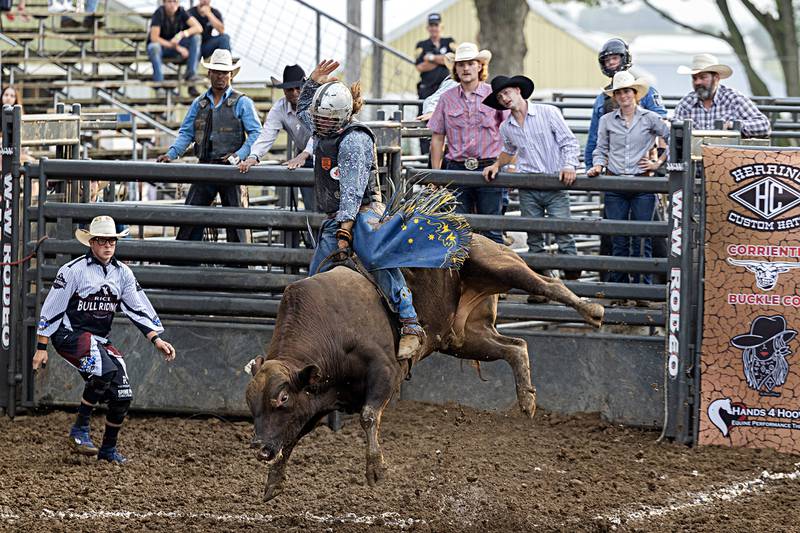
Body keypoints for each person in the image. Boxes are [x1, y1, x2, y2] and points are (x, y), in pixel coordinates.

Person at [297, 59, 426, 362]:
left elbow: (353, 190)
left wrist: (345, 228)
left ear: (341, 117)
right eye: (318, 118)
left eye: (325, 119)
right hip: (338, 215)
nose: (318, 123)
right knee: (316, 275)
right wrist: (312, 83)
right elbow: (304, 110)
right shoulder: (323, 126)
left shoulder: (353, 140)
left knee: (373, 256)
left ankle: (410, 322)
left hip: (365, 209)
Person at [31, 216, 176, 464]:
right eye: (102, 241)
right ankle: (80, 428)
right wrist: (41, 347)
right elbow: (52, 306)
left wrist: (156, 339)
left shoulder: (123, 274)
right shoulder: (73, 270)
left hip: (97, 339)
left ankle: (107, 451)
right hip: (68, 334)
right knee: (105, 369)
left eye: (111, 241)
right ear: (92, 243)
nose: (107, 246)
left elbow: (137, 307)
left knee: (122, 394)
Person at [481, 75, 581, 280]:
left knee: (564, 232)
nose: (504, 99)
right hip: (528, 186)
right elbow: (509, 151)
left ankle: (573, 286)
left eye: (506, 93)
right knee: (534, 236)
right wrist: (497, 164)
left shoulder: (548, 112)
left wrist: (569, 165)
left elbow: (569, 142)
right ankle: (543, 286)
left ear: (518, 90)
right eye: (500, 97)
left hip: (555, 182)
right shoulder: (506, 127)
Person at [157, 49, 261, 244]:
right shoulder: (199, 103)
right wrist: (171, 154)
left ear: (231, 75)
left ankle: (240, 265)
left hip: (232, 168)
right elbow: (186, 132)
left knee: (236, 220)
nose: (220, 76)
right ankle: (185, 260)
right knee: (191, 216)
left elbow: (256, 133)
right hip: (205, 165)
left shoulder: (242, 102)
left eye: (224, 72)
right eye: (217, 72)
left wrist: (239, 155)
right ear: (209, 74)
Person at [587, 72, 670, 284]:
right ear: (615, 96)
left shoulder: (650, 118)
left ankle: (642, 288)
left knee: (643, 238)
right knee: (618, 238)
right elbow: (601, 148)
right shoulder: (606, 120)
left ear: (635, 94)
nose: (623, 96)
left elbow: (673, 136)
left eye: (627, 91)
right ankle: (620, 288)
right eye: (619, 92)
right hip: (615, 182)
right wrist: (598, 164)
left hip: (642, 182)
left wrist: (658, 163)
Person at [428, 42, 508, 244]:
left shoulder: (495, 95)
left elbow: (510, 131)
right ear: (455, 68)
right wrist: (436, 175)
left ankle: (493, 275)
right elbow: (438, 137)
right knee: (459, 230)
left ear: (480, 66)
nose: (465, 68)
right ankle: (464, 275)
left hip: (490, 168)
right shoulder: (446, 99)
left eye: (470, 63)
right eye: (461, 64)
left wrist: (506, 163)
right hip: (457, 169)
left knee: (492, 230)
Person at [239, 64, 314, 210]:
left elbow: (319, 133)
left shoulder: (316, 103)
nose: (295, 93)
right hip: (306, 159)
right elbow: (267, 133)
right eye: (290, 89)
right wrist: (254, 156)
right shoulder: (280, 108)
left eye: (298, 88)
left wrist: (304, 154)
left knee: (328, 207)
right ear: (284, 91)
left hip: (325, 155)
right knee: (311, 207)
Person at [584, 38, 667, 169]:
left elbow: (663, 126)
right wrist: (590, 166)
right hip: (612, 162)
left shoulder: (648, 93)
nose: (611, 62)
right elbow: (594, 137)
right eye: (607, 60)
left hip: (643, 160)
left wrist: (660, 164)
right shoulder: (601, 99)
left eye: (614, 58)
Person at [673, 53, 771, 138]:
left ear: (716, 78)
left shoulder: (734, 99)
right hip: (693, 157)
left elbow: (764, 125)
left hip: (726, 157)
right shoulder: (686, 103)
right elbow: (673, 132)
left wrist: (734, 125)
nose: (698, 82)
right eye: (694, 78)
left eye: (703, 77)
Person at [414, 13, 455, 155]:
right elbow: (420, 66)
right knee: (424, 122)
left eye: (436, 25)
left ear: (441, 26)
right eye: (431, 25)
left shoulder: (449, 41)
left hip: (445, 89)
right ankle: (425, 155)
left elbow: (452, 62)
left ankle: (446, 154)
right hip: (427, 90)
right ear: (427, 28)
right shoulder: (421, 45)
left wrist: (430, 58)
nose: (434, 28)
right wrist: (442, 60)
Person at [146, 0, 203, 96]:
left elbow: (199, 28)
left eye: (175, 1)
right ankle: (159, 85)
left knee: (196, 37)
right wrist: (177, 48)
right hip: (162, 48)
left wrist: (182, 34)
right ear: (164, 3)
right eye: (169, 1)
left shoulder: (181, 11)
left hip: (175, 46)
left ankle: (191, 74)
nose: (172, 4)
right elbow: (154, 38)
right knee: (153, 47)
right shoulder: (159, 13)